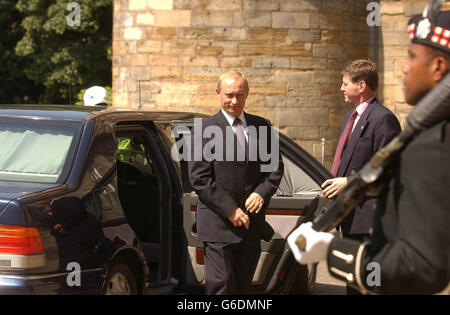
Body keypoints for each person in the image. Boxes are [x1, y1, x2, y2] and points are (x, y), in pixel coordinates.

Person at [288, 6, 450, 295]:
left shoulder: (430, 144)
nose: (403, 66)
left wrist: (330, 251)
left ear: (438, 67)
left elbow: (422, 266)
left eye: (412, 57)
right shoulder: (428, 133)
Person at [188, 71, 284, 294]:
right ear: (218, 93)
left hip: (250, 225)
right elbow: (199, 178)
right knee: (222, 288)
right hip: (217, 225)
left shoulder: (262, 126)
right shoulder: (203, 130)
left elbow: (274, 168)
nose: (234, 101)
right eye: (229, 95)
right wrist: (230, 209)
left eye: (240, 95)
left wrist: (261, 192)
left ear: (247, 94)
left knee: (242, 288)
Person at [322, 60, 401, 241]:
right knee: (356, 269)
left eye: (345, 84)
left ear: (361, 86)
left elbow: (388, 169)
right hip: (349, 216)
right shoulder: (350, 117)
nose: (341, 88)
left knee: (372, 269)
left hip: (370, 220)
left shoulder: (383, 118)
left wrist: (348, 181)